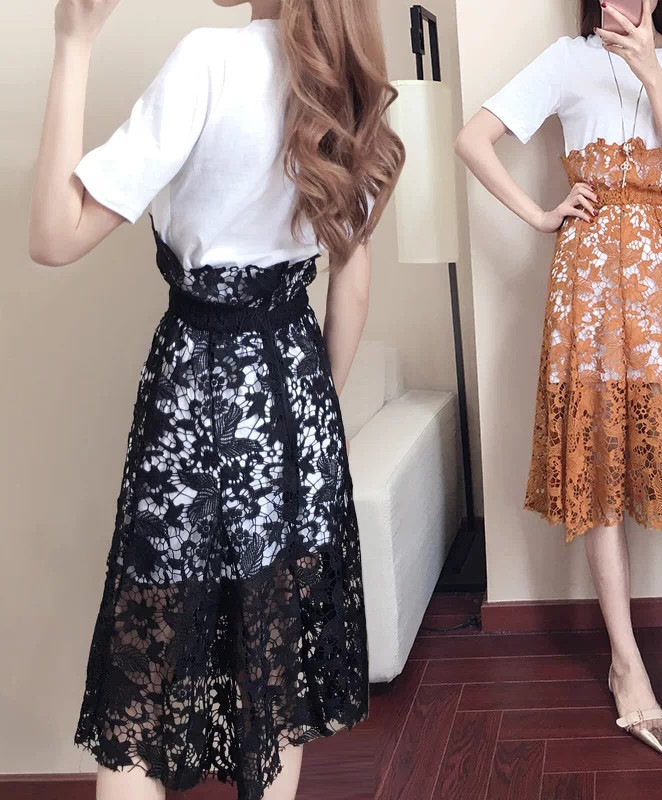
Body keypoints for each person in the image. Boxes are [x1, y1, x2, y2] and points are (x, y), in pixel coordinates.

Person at [29, 0, 404, 798]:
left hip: (193, 395)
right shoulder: (349, 85)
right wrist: (312, 412)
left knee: (146, 672)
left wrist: (73, 43)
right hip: (295, 407)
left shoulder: (209, 60)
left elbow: (55, 235)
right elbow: (353, 282)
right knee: (274, 671)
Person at [456, 1, 662, 798]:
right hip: (583, 286)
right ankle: (625, 660)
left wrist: (650, 67)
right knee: (597, 469)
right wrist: (541, 214)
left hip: (660, 282)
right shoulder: (567, 59)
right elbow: (473, 139)